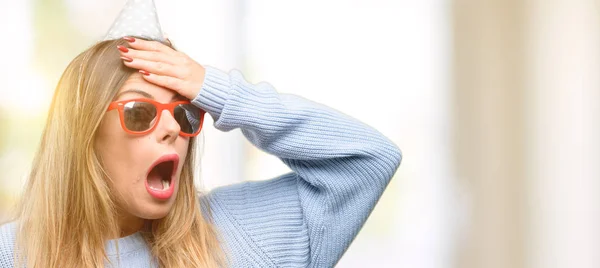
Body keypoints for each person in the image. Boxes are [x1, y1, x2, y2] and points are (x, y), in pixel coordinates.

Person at [0, 1, 402, 268]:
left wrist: (217, 89)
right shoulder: (12, 254)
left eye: (186, 113)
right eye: (140, 112)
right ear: (84, 134)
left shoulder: (238, 234)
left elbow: (369, 160)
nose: (175, 128)